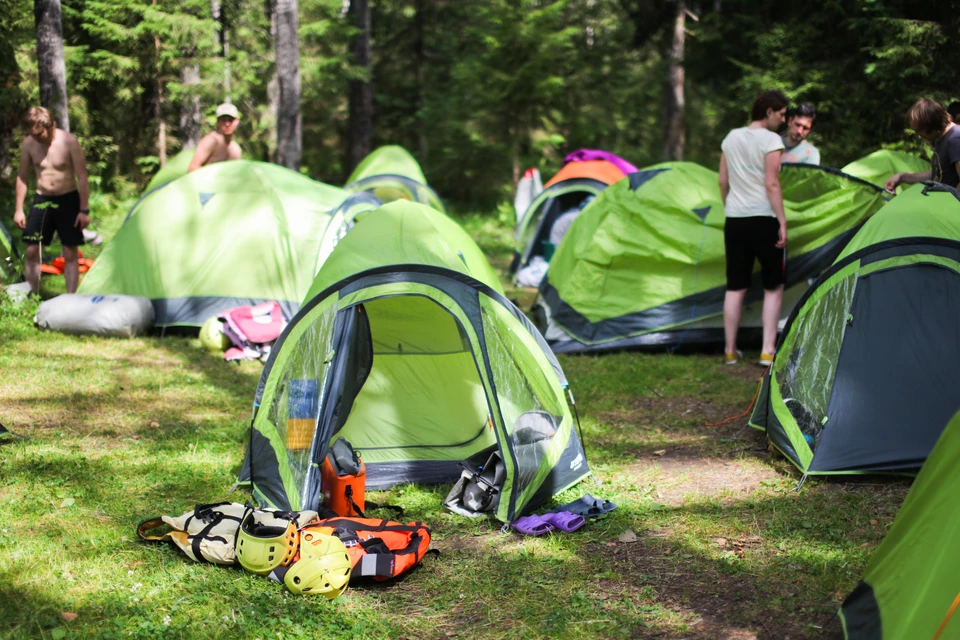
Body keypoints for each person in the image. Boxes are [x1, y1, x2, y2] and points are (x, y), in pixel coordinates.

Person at [718, 90, 789, 367]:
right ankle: (767, 351)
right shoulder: (772, 140)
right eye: (782, 114)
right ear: (769, 111)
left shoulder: (731, 137)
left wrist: (730, 206)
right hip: (763, 219)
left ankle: (729, 351)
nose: (783, 120)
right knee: (773, 286)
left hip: (734, 219)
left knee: (735, 287)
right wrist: (782, 221)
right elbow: (772, 183)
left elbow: (723, 181)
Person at [13, 106, 91, 295]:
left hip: (68, 198)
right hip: (42, 199)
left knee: (69, 250)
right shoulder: (29, 144)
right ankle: (32, 297)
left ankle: (71, 297)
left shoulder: (69, 141)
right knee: (32, 250)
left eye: (40, 135)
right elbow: (23, 176)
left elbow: (82, 176)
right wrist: (19, 209)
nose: (38, 139)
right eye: (34, 135)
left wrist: (84, 210)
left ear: (50, 126)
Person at [885, 98, 960, 191]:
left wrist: (949, 203)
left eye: (919, 130)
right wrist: (901, 177)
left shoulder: (955, 139)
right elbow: (938, 174)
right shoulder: (941, 138)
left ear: (931, 124)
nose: (917, 135)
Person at [187, 102, 242, 172]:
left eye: (230, 120)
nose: (227, 124)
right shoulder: (211, 140)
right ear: (218, 121)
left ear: (236, 121)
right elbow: (192, 168)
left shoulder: (236, 149)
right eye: (223, 120)